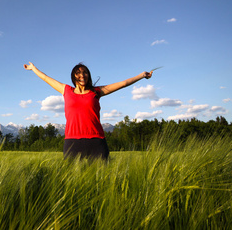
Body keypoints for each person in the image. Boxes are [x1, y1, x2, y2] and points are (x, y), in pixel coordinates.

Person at [23, 62, 153, 160]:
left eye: (85, 72)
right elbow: (46, 78)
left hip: (96, 140)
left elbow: (123, 83)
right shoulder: (66, 90)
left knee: (102, 181)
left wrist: (142, 75)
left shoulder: (96, 92)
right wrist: (33, 69)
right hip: (72, 142)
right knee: (72, 182)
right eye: (78, 73)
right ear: (73, 76)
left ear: (88, 75)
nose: (82, 75)